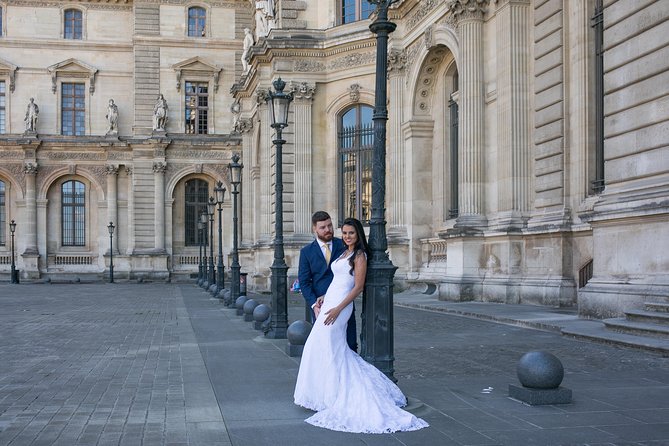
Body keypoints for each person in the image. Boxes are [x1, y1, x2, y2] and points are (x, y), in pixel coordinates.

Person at [294, 218, 429, 433]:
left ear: (358, 235)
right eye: (345, 233)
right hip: (329, 301)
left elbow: (357, 288)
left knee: (331, 346)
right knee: (320, 347)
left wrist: (338, 308)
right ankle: (325, 393)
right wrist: (323, 297)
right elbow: (337, 281)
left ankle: (335, 394)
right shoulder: (343, 252)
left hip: (341, 306)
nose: (346, 236)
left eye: (351, 233)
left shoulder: (359, 255)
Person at [298, 211, 356, 352]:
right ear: (315, 229)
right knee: (325, 345)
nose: (328, 230)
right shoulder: (306, 252)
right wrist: (314, 305)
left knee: (350, 342)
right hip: (321, 305)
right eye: (323, 227)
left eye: (330, 226)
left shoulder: (343, 245)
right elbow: (304, 282)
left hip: (343, 300)